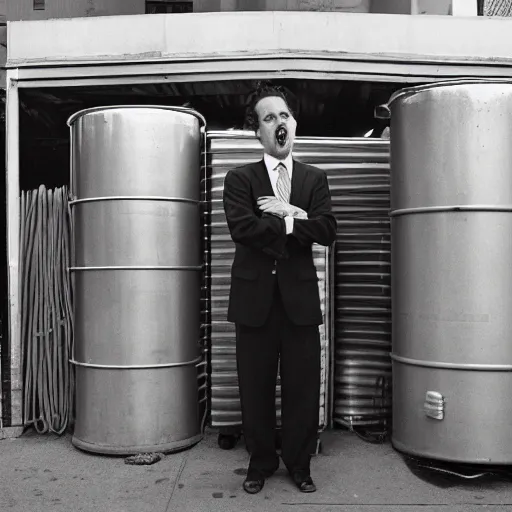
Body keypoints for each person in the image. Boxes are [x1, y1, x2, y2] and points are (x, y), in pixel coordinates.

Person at [222, 82, 337, 494]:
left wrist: (289, 215)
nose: (279, 123)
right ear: (258, 131)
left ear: (294, 123)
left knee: (303, 387)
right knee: (254, 387)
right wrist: (296, 224)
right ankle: (260, 462)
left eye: (284, 115)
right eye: (269, 117)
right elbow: (244, 229)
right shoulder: (239, 179)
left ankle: (299, 463)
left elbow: (326, 230)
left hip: (300, 301)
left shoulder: (314, 178)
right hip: (254, 302)